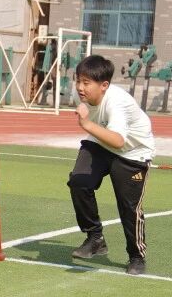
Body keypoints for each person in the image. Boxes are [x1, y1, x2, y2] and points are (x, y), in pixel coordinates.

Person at [66, 54, 156, 276]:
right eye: (78, 80)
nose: (80, 87)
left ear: (104, 85)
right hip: (100, 143)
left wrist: (86, 124)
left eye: (86, 82)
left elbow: (118, 141)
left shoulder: (117, 102)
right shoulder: (81, 95)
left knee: (128, 206)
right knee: (79, 182)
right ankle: (95, 238)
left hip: (133, 152)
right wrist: (89, 126)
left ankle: (136, 256)